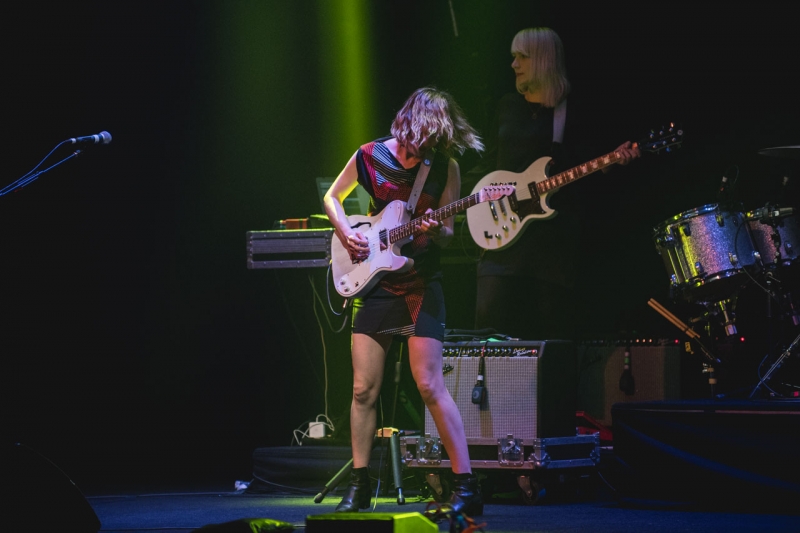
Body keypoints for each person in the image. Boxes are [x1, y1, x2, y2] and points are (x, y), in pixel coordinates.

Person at [323, 87, 485, 515]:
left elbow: (449, 230)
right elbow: (332, 198)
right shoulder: (370, 155)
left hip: (420, 280)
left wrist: (435, 229)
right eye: (418, 140)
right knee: (362, 390)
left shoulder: (444, 166)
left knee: (430, 384)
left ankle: (466, 485)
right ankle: (359, 486)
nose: (420, 150)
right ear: (406, 124)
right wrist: (346, 232)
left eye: (430, 143)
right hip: (375, 279)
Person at [472, 27, 640, 341]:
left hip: (552, 243)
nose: (514, 65)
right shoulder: (507, 106)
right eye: (513, 57)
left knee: (551, 331)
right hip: (502, 232)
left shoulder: (571, 112)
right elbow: (488, 163)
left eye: (522, 57)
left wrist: (613, 161)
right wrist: (471, 196)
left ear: (544, 60)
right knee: (488, 324)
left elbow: (587, 165)